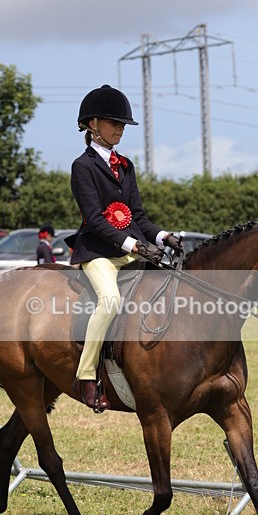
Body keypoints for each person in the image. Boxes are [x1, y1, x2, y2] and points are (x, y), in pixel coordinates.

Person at [69, 84, 181, 411]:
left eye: (122, 124)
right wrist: (134, 244)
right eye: (114, 122)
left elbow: (140, 217)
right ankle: (87, 376)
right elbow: (93, 219)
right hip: (97, 252)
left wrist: (162, 237)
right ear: (93, 125)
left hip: (132, 249)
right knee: (110, 300)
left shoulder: (126, 166)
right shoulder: (83, 166)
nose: (120, 128)